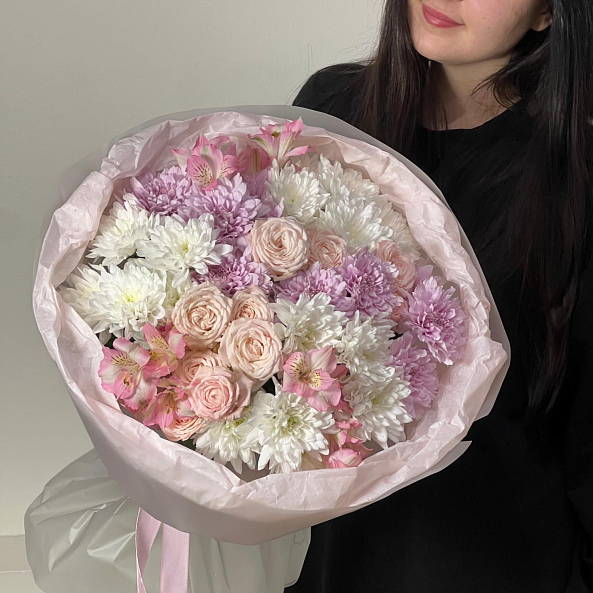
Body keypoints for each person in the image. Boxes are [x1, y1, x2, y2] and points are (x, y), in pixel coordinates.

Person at [286, 1, 593, 591]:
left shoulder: (572, 174)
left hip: (498, 559)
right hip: (338, 558)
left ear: (549, 14)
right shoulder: (333, 109)